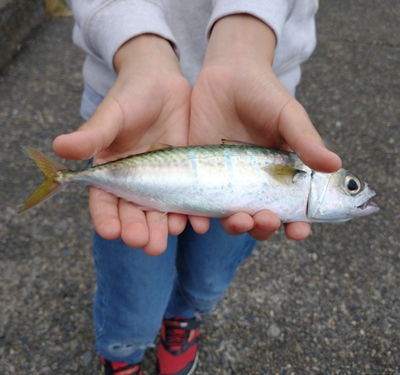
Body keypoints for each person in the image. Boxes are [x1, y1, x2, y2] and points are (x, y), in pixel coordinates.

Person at [53, 1, 342, 374]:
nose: (352, 192)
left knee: (208, 275)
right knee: (133, 286)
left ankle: (182, 317)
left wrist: (244, 44)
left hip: (253, 120)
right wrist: (137, 46)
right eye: (349, 186)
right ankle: (122, 349)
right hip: (134, 116)